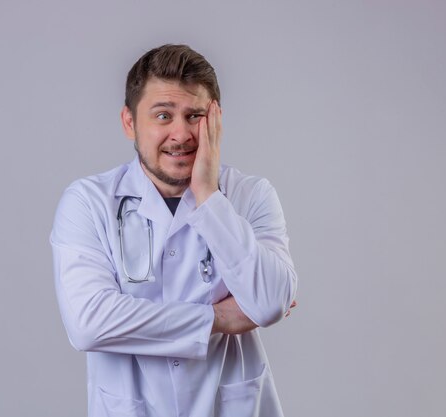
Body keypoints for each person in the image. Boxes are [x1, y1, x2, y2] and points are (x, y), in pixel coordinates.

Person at [51, 44, 298, 417]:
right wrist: (218, 318)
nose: (181, 134)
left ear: (215, 120)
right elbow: (89, 323)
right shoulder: (88, 202)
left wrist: (209, 197)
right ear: (130, 122)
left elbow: (270, 300)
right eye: (163, 115)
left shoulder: (250, 195)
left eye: (194, 115)